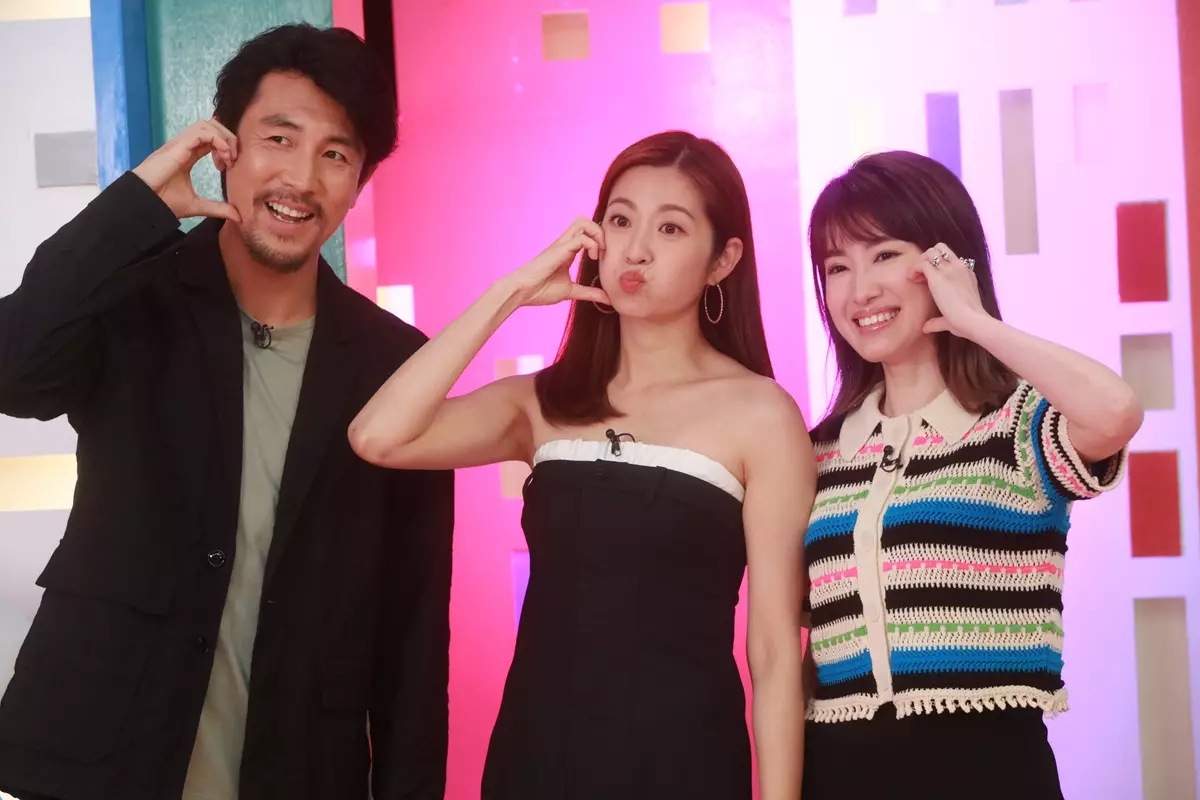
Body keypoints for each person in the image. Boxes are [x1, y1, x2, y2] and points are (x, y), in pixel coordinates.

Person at [0, 24, 454, 800]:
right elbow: (14, 369)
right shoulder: (135, 296)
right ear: (225, 148)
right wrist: (136, 204)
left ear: (358, 181)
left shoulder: (398, 365)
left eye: (335, 154)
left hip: (297, 767)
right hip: (105, 756)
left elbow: (413, 627)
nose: (301, 178)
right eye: (279, 138)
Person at [349, 130, 813, 799]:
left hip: (683, 766)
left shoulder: (761, 415)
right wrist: (511, 292)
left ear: (723, 259)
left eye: (671, 228)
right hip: (535, 762)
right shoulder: (542, 403)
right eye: (620, 221)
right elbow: (378, 437)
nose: (636, 249)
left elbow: (772, 653)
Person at [799, 150, 1143, 799]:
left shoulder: (1018, 425)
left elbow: (1117, 411)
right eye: (837, 266)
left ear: (946, 261)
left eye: (883, 255)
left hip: (987, 768)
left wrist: (976, 322)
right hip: (841, 769)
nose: (859, 290)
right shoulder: (822, 450)